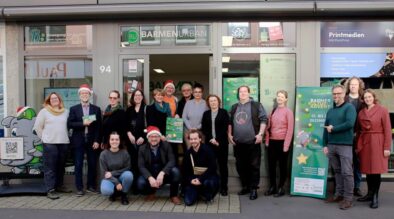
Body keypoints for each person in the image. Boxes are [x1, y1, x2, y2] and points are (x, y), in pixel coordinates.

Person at [228, 85, 268, 200]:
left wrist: (260, 134)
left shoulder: (256, 105)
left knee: (254, 166)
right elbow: (230, 122)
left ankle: (253, 189)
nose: (243, 93)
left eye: (245, 91)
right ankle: (245, 186)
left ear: (249, 93)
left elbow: (264, 119)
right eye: (241, 92)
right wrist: (230, 135)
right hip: (238, 143)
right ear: (238, 94)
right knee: (241, 166)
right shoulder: (234, 107)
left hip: (253, 142)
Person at [356, 89, 392, 209]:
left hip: (378, 141)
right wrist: (358, 145)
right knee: (368, 170)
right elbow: (358, 129)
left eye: (369, 97)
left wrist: (387, 147)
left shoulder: (382, 110)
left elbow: (387, 130)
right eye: (365, 97)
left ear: (374, 97)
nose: (367, 99)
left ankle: (375, 196)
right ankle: (369, 194)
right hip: (366, 142)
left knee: (376, 170)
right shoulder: (361, 112)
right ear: (363, 99)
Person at [323, 85, 357, 210]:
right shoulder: (330, 111)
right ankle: (338, 194)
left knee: (347, 172)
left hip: (345, 145)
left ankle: (348, 199)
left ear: (344, 94)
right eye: (334, 94)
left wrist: (334, 129)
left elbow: (350, 124)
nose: (336, 96)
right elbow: (326, 129)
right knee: (337, 171)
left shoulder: (349, 107)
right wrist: (324, 144)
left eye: (338, 93)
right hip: (331, 146)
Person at [33, 92, 70, 200]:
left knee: (61, 167)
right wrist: (44, 138)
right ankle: (50, 189)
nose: (54, 100)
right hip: (50, 144)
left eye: (56, 98)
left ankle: (59, 186)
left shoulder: (66, 112)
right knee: (50, 168)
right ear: (49, 101)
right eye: (52, 98)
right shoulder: (44, 112)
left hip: (63, 142)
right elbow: (37, 127)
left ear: (59, 100)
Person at [68, 84, 102, 196]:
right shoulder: (74, 109)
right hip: (78, 141)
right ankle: (79, 188)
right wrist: (82, 123)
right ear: (79, 95)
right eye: (82, 93)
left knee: (92, 164)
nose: (84, 95)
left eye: (86, 93)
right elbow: (70, 124)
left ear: (90, 95)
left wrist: (97, 141)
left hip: (92, 141)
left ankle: (91, 186)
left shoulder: (96, 109)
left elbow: (98, 127)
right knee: (78, 164)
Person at [137, 126, 182, 205]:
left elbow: (172, 160)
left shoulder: (166, 145)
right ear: (148, 138)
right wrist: (150, 178)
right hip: (151, 174)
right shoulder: (142, 148)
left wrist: (162, 173)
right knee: (140, 183)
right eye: (151, 136)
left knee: (176, 171)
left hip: (164, 175)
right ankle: (151, 192)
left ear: (160, 137)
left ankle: (174, 195)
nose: (154, 139)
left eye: (156, 136)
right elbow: (141, 166)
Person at [264, 90, 294, 197]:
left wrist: (286, 145)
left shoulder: (288, 112)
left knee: (282, 166)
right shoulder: (272, 111)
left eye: (282, 97)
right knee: (271, 166)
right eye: (278, 96)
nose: (279, 98)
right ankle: (272, 187)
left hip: (283, 143)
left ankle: (281, 188)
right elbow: (268, 128)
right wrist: (267, 141)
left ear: (286, 99)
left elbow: (290, 129)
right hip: (272, 142)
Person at [201, 94, 230, 196]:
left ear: (218, 102)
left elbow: (225, 127)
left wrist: (217, 139)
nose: (213, 102)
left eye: (215, 100)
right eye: (211, 101)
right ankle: (213, 186)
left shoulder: (224, 112)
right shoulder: (206, 114)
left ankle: (224, 188)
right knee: (211, 166)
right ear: (208, 103)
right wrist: (211, 139)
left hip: (222, 144)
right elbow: (204, 129)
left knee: (223, 166)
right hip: (210, 144)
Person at [183, 130, 219, 206]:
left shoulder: (208, 150)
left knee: (209, 183)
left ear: (200, 139)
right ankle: (198, 193)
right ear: (189, 140)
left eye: (195, 139)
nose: (193, 141)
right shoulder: (187, 154)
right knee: (188, 202)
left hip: (207, 177)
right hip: (194, 179)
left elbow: (213, 168)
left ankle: (208, 196)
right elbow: (185, 171)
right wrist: (191, 180)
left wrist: (200, 179)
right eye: (191, 139)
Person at [344, 76, 365, 197]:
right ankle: (346, 187)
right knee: (346, 162)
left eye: (355, 84)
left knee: (358, 162)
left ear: (359, 86)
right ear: (348, 86)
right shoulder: (344, 99)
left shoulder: (363, 101)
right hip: (345, 135)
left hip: (359, 136)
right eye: (351, 84)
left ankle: (356, 187)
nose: (353, 86)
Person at [99, 132, 133, 205]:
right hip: (109, 178)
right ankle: (115, 193)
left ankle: (124, 195)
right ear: (109, 141)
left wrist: (112, 173)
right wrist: (116, 183)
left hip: (120, 176)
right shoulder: (104, 154)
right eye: (112, 139)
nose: (114, 141)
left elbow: (128, 167)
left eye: (117, 139)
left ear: (120, 141)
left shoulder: (124, 153)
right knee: (105, 190)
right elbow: (104, 172)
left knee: (129, 175)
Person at [126, 89, 147, 194]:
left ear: (143, 97)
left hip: (143, 141)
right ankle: (134, 187)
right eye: (136, 95)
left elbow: (150, 125)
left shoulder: (147, 109)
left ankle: (142, 187)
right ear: (133, 97)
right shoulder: (129, 110)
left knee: (142, 163)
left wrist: (144, 136)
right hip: (131, 141)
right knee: (133, 163)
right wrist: (129, 134)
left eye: (140, 95)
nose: (138, 97)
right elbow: (126, 125)